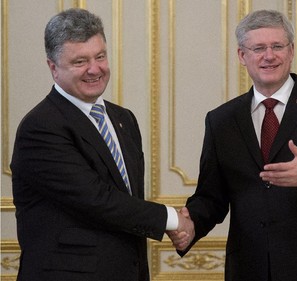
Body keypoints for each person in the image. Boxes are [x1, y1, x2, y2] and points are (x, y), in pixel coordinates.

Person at [167, 9, 297, 281]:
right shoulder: (221, 120)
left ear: (290, 51)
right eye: (258, 48)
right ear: (242, 56)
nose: (269, 56)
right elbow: (212, 196)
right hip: (250, 267)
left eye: (277, 46)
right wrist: (190, 224)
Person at [11, 8, 193, 281]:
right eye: (80, 61)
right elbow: (97, 199)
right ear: (53, 67)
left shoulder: (123, 119)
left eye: (100, 56)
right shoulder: (41, 127)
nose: (94, 69)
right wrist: (172, 219)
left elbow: (127, 203)